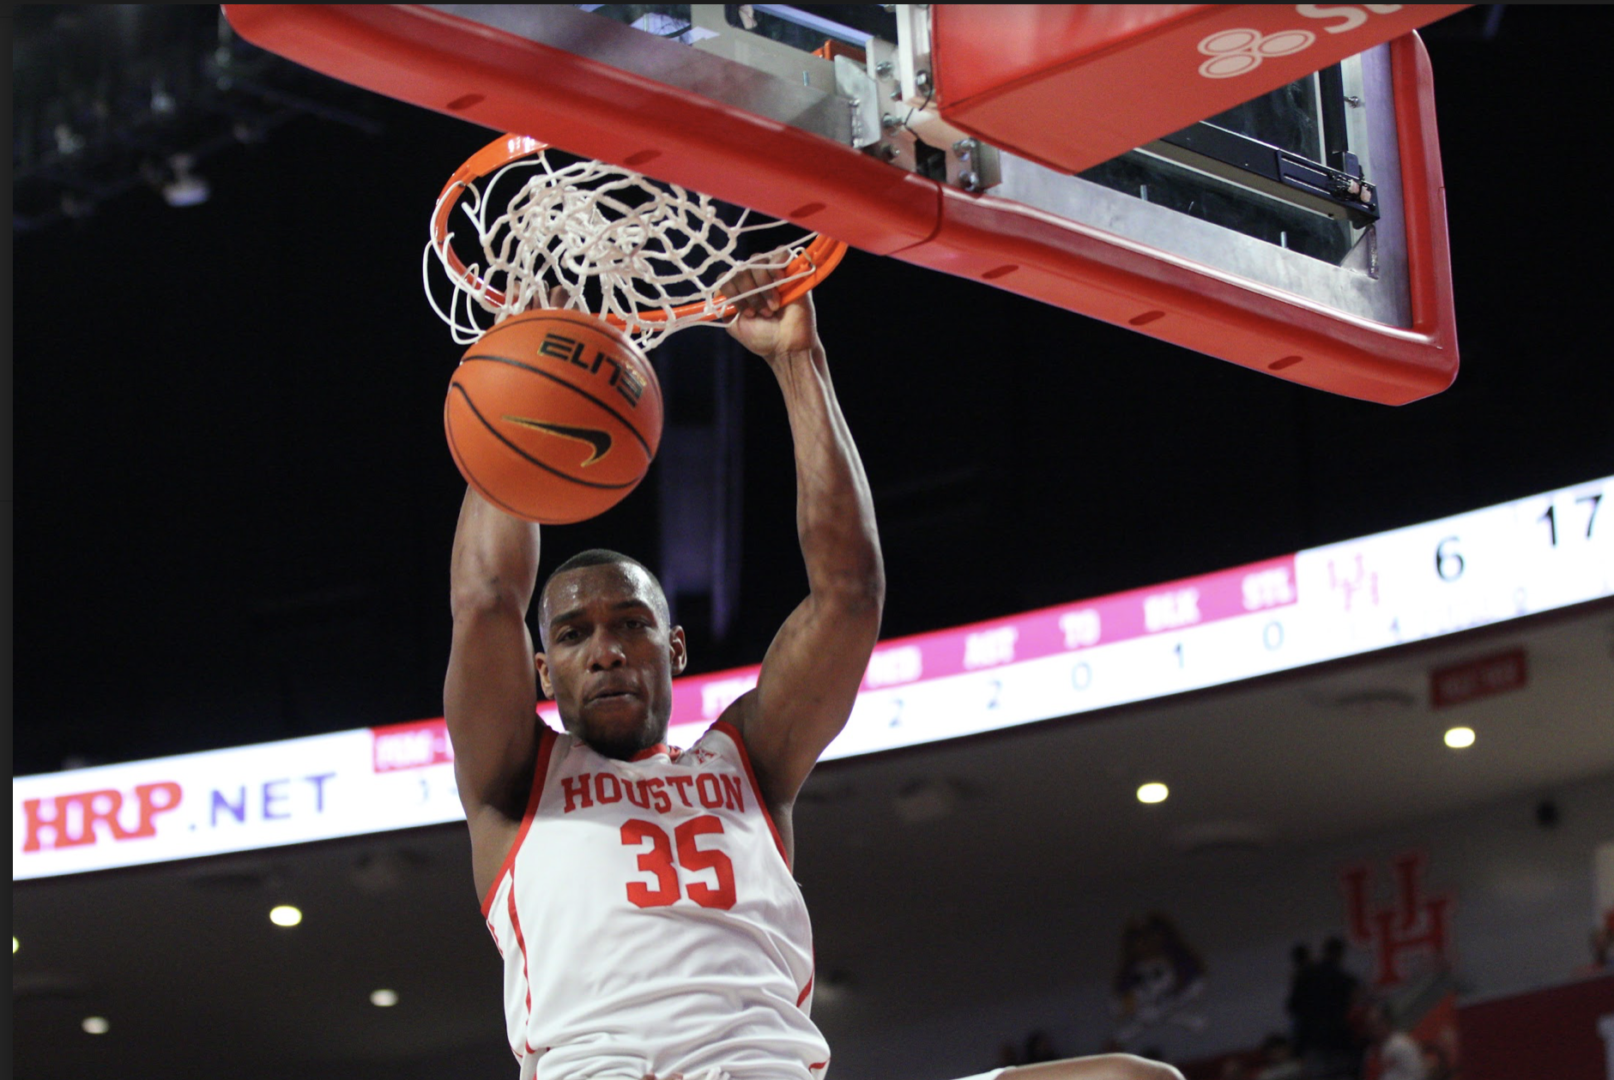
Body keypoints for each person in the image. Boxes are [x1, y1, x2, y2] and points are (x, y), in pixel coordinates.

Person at [445, 270, 1183, 1080]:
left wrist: (801, 362)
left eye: (631, 625)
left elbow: (849, 594)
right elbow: (487, 600)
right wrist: (520, 394)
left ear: (675, 649)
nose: (608, 650)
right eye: (577, 635)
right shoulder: (517, 780)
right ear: (542, 672)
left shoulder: (748, 759)